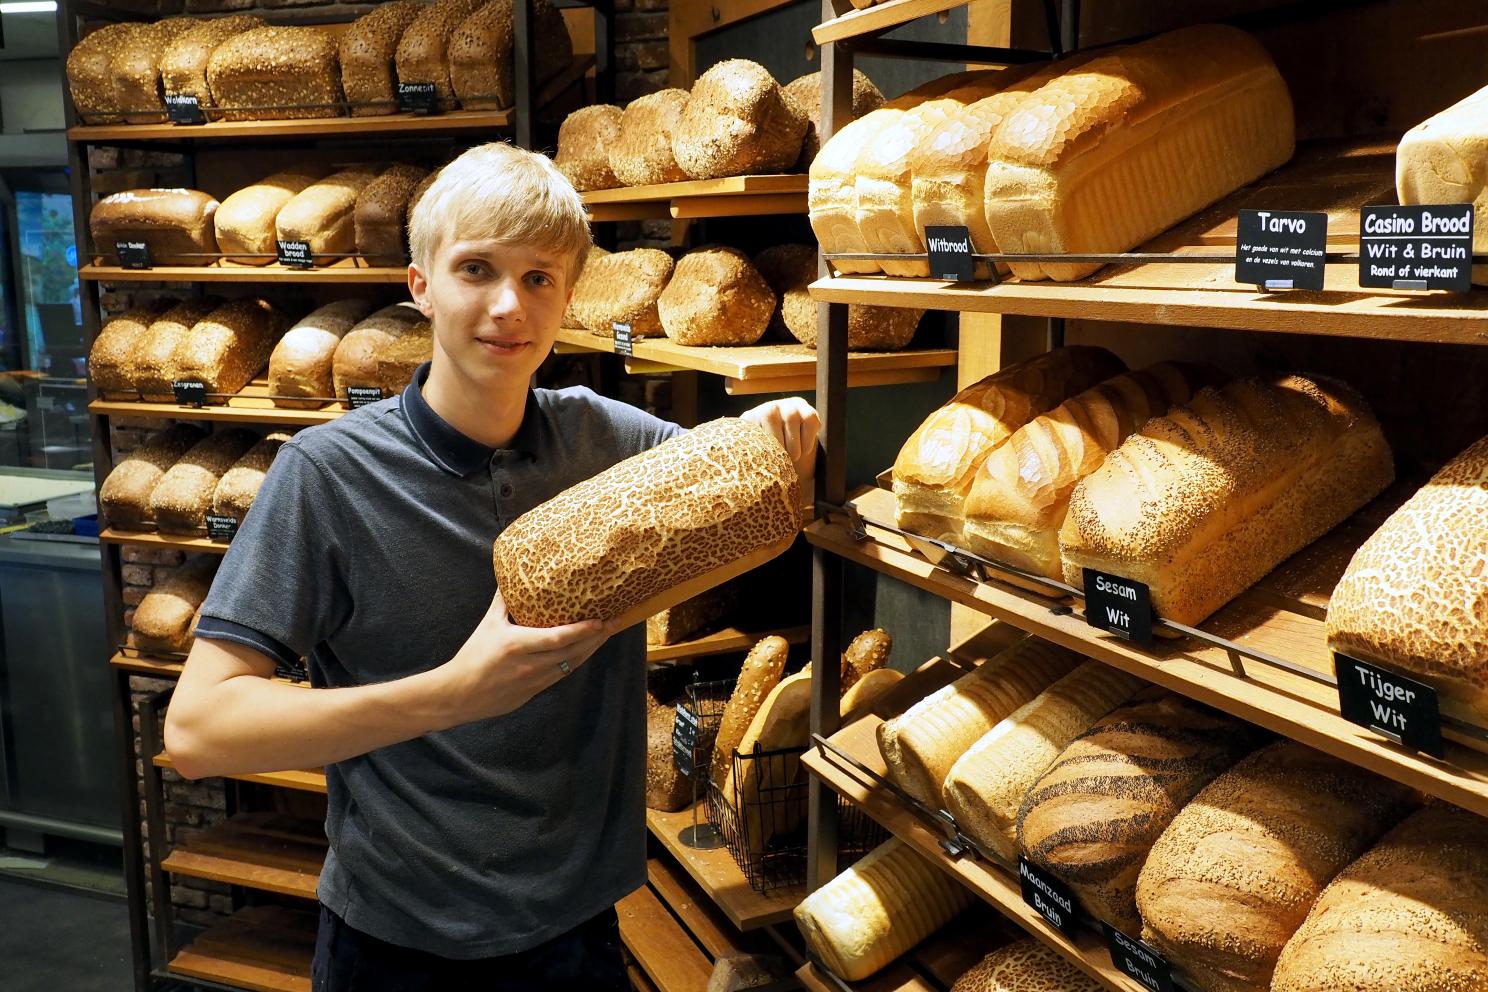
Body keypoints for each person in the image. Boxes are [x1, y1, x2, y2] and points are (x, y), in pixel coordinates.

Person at [163, 141, 820, 991]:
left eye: (541, 278)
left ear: (569, 298)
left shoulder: (608, 440)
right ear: (421, 286)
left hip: (578, 933)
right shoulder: (326, 474)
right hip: (397, 943)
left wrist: (783, 427)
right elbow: (197, 731)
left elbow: (753, 502)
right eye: (477, 269)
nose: (510, 306)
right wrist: (455, 694)